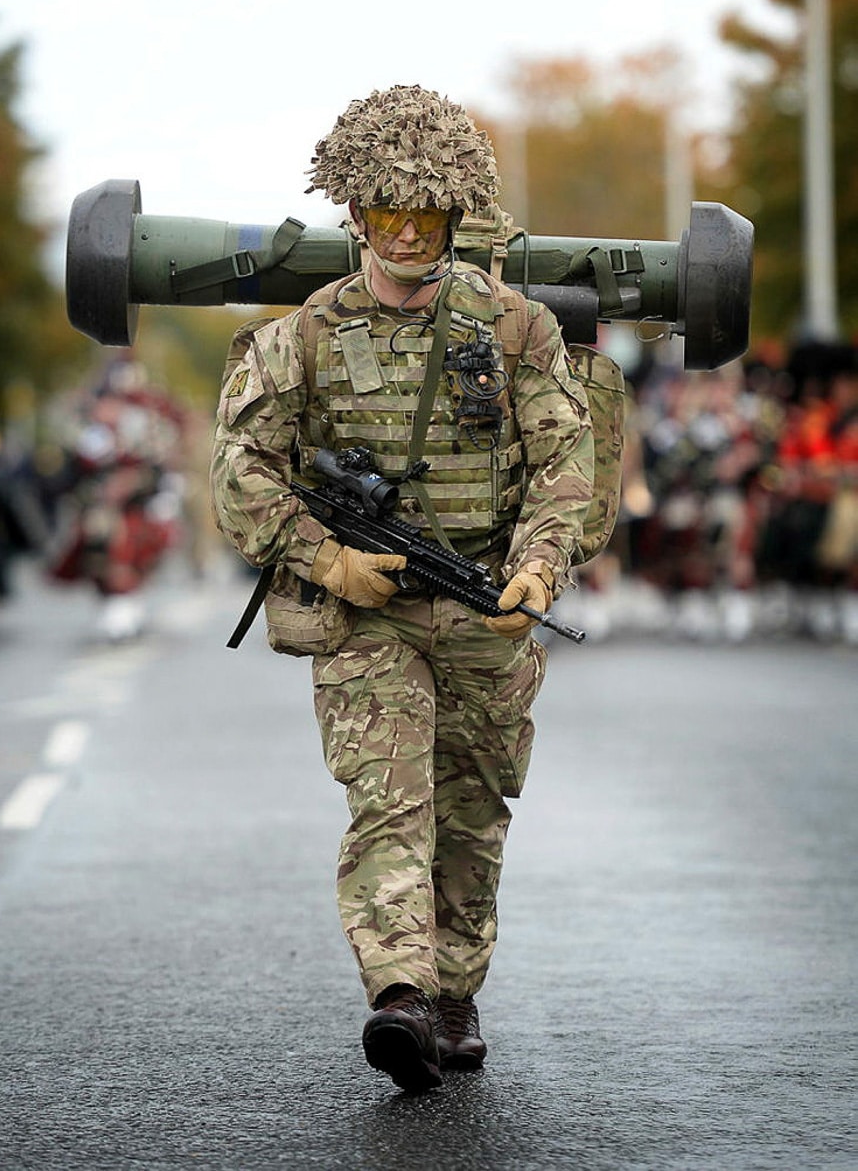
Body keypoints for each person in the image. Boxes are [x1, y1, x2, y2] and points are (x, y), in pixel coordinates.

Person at [211, 85, 594, 1092]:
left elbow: (565, 459)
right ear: (356, 217)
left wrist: (538, 566)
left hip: (485, 605)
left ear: (455, 217)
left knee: (471, 810)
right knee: (390, 799)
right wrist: (326, 557)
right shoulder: (299, 336)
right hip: (365, 614)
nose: (411, 238)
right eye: (390, 218)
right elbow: (237, 470)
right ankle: (400, 994)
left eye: (428, 219)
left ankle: (455, 989)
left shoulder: (514, 329)